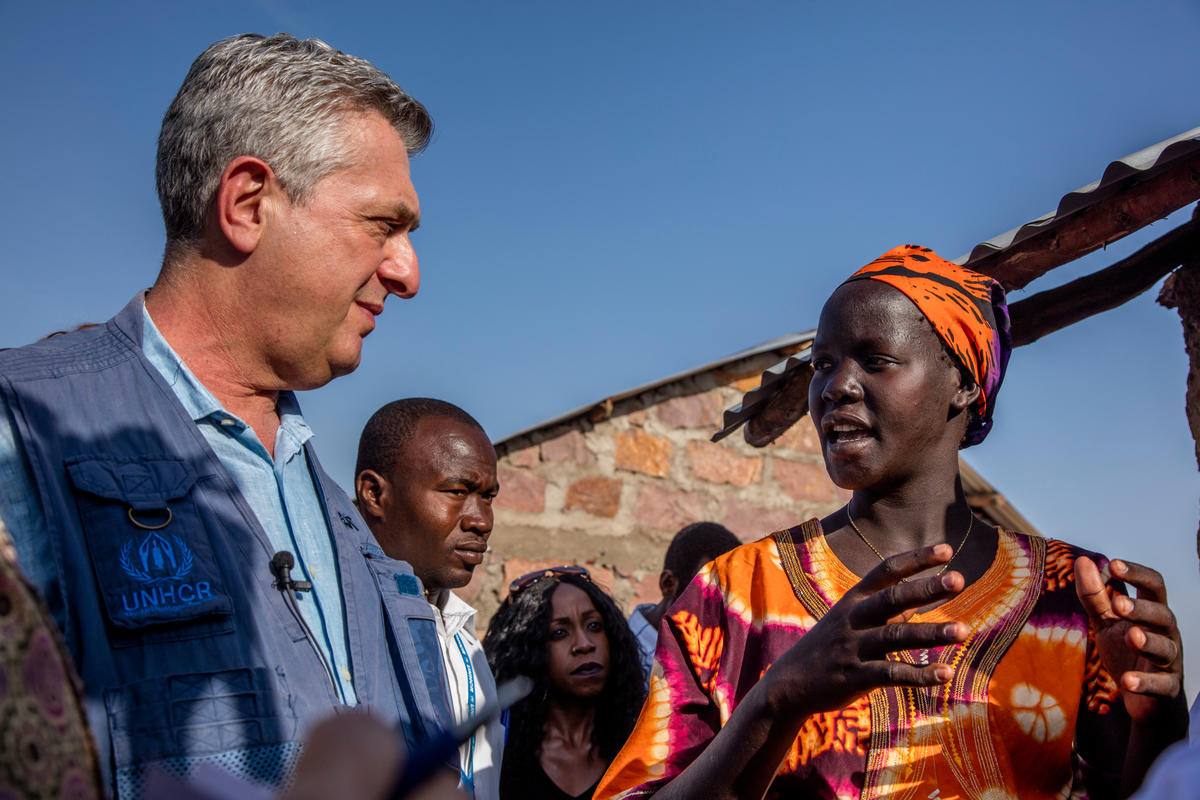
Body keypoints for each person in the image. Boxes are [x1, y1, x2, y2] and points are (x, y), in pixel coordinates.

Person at [0, 33, 455, 799]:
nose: (407, 273)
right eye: (383, 225)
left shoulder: (343, 516)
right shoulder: (24, 430)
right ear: (248, 205)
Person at [596, 245, 1188, 800]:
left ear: (961, 382)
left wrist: (1158, 717)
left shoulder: (1071, 596)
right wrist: (777, 698)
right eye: (823, 365)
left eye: (875, 360)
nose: (835, 387)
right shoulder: (733, 595)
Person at [355, 398, 504, 800]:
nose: (482, 520)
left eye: (488, 497)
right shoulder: (342, 630)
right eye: (457, 491)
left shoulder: (462, 634)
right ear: (373, 493)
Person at [483, 567, 646, 800]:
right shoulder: (497, 757)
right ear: (530, 652)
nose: (584, 644)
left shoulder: (640, 749)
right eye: (559, 632)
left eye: (594, 626)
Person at [627, 521, 740, 678]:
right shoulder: (614, 656)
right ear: (668, 584)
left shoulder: (714, 667)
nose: (721, 608)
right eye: (711, 590)